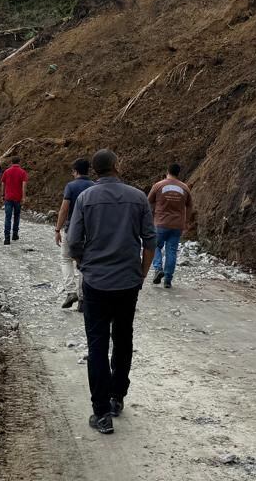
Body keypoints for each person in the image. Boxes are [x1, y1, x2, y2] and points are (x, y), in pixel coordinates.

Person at [67, 149, 156, 436]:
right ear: (117, 165)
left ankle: (101, 412)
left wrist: (85, 265)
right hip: (127, 282)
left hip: (96, 282)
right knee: (123, 338)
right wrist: (141, 272)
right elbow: (150, 240)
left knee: (97, 344)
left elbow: (73, 241)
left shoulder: (85, 198)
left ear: (95, 170)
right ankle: (117, 397)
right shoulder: (138, 197)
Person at [147, 163, 195, 289]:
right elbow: (190, 205)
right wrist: (186, 220)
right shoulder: (185, 188)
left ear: (167, 171)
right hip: (177, 225)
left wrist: (150, 216)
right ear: (179, 173)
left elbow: (148, 202)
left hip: (160, 223)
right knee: (171, 251)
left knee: (155, 246)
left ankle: (158, 268)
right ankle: (168, 279)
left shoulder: (158, 185)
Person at [54, 157, 93, 309]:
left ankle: (70, 292)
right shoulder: (94, 186)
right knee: (83, 262)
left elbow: (64, 209)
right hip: (90, 231)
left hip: (72, 228)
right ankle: (83, 298)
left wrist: (57, 229)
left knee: (65, 259)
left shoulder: (71, 186)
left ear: (76, 171)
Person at [0, 156, 29, 245]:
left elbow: (3, 184)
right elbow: (24, 186)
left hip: (8, 198)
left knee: (7, 217)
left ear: (11, 162)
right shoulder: (23, 172)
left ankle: (7, 238)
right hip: (18, 198)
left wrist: (2, 195)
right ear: (19, 162)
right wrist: (23, 197)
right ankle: (15, 234)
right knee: (16, 216)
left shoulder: (7, 171)